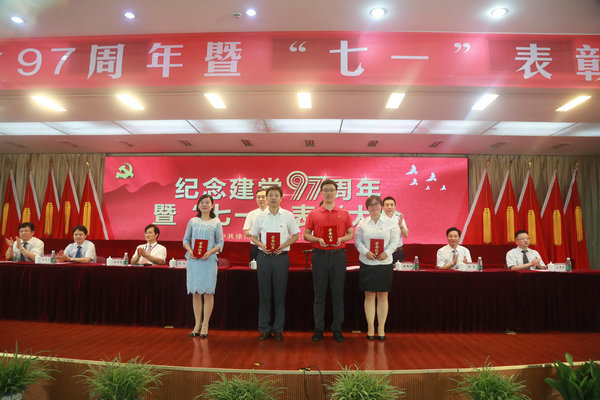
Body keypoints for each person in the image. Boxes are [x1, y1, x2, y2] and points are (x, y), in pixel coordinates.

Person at [304, 179, 354, 342]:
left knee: (337, 295)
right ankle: (318, 329)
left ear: (336, 192)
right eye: (325, 190)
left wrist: (341, 239)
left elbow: (350, 234)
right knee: (319, 295)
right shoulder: (313, 214)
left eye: (331, 189)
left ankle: (337, 329)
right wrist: (318, 239)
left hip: (338, 256)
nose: (328, 192)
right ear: (321, 192)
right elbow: (306, 235)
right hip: (319, 256)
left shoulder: (344, 213)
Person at [250, 186, 300, 341]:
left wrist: (284, 245)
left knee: (279, 294)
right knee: (264, 294)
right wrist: (261, 245)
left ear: (281, 198)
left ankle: (278, 329)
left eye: (276, 195)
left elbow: (296, 235)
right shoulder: (259, 216)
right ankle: (264, 329)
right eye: (270, 195)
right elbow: (253, 236)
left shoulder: (288, 215)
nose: (273, 198)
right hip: (264, 257)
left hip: (281, 258)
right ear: (266, 198)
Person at [355, 195, 399, 341]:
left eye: (376, 204)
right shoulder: (362, 223)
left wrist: (387, 253)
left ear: (381, 206)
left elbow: (395, 241)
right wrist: (365, 252)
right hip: (367, 262)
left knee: (383, 295)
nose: (373, 207)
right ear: (367, 208)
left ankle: (381, 329)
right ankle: (370, 328)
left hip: (384, 263)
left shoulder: (391, 222)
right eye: (370, 205)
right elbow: (358, 241)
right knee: (369, 295)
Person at [183, 194, 224, 338]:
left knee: (208, 292)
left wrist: (210, 252)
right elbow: (186, 240)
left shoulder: (216, 222)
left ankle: (205, 324)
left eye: (207, 202)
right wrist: (190, 250)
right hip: (194, 261)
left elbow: (220, 243)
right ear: (198, 205)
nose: (204, 205)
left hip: (209, 261)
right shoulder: (193, 221)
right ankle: (196, 325)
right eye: (202, 202)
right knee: (195, 292)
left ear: (212, 206)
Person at [243, 188, 268, 262]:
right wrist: (258, 231)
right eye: (258, 197)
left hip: (270, 246)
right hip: (256, 247)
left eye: (263, 197)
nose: (260, 199)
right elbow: (246, 233)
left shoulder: (274, 213)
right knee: (256, 268)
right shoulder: (252, 214)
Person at [382, 196, 409, 263]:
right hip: (384, 253)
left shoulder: (399, 219)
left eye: (392, 205)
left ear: (395, 207)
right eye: (387, 205)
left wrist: (400, 225)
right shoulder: (380, 220)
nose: (389, 207)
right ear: (383, 207)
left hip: (398, 252)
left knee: (398, 269)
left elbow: (406, 235)